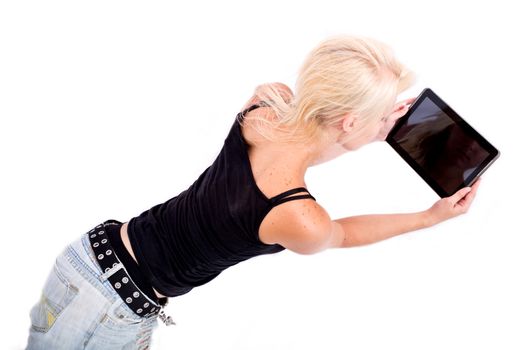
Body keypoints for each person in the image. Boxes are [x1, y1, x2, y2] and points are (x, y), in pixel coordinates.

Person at [25, 34, 481, 350]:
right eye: (386, 115)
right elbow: (341, 234)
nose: (393, 123)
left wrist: (369, 126)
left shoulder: (264, 106)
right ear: (348, 121)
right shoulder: (301, 218)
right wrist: (428, 217)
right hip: (111, 304)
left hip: (91, 254)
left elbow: (306, 141)